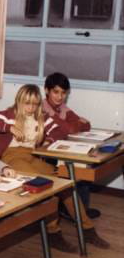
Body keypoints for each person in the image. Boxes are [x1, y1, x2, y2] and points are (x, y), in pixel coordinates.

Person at [0, 84, 109, 250]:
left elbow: (59, 131)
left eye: (35, 104)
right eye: (27, 103)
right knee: (47, 186)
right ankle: (53, 232)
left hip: (32, 156)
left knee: (65, 184)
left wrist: (48, 140)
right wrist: (9, 127)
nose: (30, 108)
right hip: (11, 158)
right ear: (19, 101)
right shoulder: (8, 114)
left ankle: (87, 229)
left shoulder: (41, 116)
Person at [42, 72, 99, 219]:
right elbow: (70, 128)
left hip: (59, 148)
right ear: (47, 90)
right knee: (77, 166)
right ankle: (73, 210)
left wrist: (72, 125)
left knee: (83, 163)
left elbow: (86, 125)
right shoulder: (43, 108)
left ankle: (80, 210)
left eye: (63, 93)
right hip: (44, 152)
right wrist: (72, 125)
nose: (60, 97)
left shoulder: (62, 108)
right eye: (56, 92)